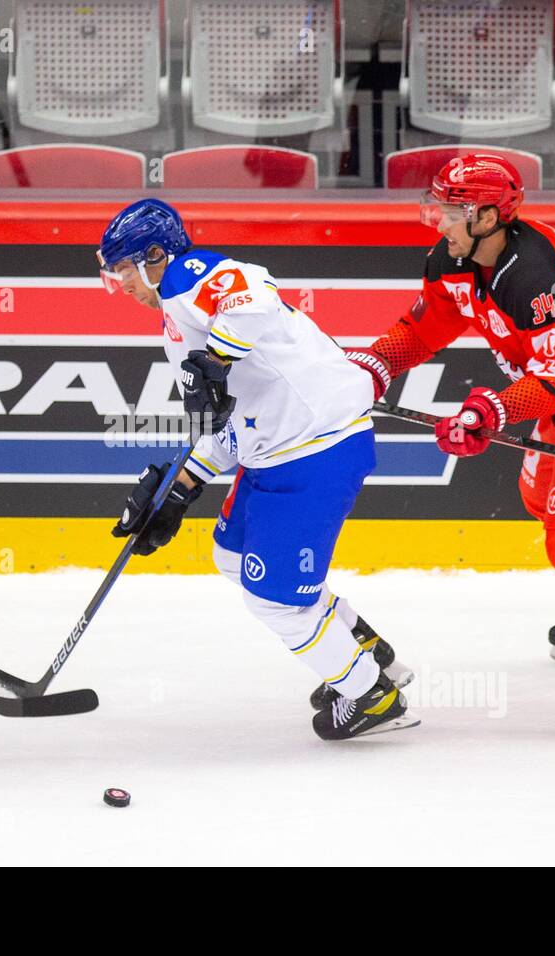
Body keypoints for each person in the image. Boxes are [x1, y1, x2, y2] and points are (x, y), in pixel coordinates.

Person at [344, 153, 555, 753]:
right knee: (544, 502)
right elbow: (422, 330)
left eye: (451, 210)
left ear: (487, 216)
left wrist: (489, 412)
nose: (439, 220)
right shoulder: (452, 258)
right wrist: (373, 366)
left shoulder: (535, 272)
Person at [98, 199, 418, 740]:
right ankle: (363, 649)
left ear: (155, 254)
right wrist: (179, 488)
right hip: (275, 450)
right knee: (232, 555)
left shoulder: (185, 274)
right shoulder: (175, 321)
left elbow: (254, 298)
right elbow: (228, 421)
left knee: (275, 600)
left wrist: (217, 361)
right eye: (113, 275)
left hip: (315, 449)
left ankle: (373, 696)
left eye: (125, 268)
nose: (121, 282)